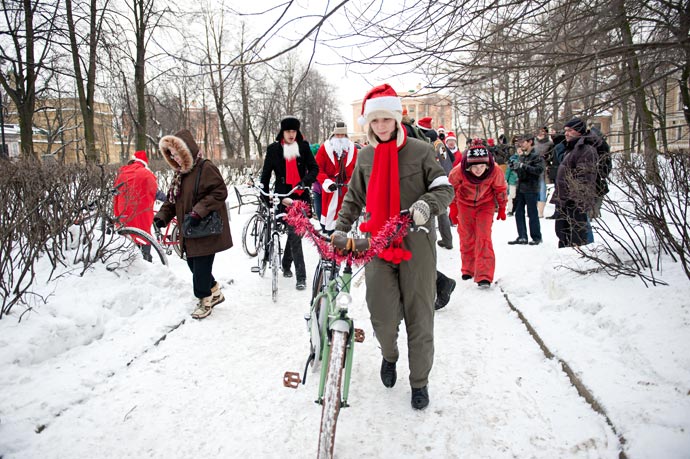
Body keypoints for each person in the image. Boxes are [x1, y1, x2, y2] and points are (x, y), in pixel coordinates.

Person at [332, 83, 454, 410]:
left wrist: (426, 206)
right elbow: (354, 198)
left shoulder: (420, 150)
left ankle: (419, 382)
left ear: (397, 119)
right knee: (382, 316)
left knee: (419, 316)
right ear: (368, 124)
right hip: (376, 245)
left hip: (417, 244)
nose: (381, 126)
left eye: (386, 120)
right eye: (375, 121)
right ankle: (389, 355)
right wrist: (339, 230)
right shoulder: (366, 156)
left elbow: (445, 189)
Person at [154, 129, 232, 319]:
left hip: (205, 228)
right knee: (193, 265)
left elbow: (219, 191)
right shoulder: (180, 174)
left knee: (201, 268)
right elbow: (173, 200)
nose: (175, 158)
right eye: (171, 155)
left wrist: (199, 210)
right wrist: (162, 216)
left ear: (186, 151)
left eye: (177, 154)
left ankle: (204, 300)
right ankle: (215, 291)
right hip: (190, 230)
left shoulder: (205, 168)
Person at [260, 115, 318, 290]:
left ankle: (292, 269)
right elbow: (266, 175)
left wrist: (305, 180)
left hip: (300, 197)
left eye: (294, 131)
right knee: (294, 234)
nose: (291, 135)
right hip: (282, 197)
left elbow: (314, 168)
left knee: (295, 234)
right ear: (282, 132)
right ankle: (297, 273)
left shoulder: (304, 147)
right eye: (288, 131)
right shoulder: (273, 150)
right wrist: (265, 194)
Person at [448, 139, 508, 288]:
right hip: (464, 204)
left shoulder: (495, 171)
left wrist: (501, 207)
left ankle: (484, 275)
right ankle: (468, 268)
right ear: (469, 166)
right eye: (475, 166)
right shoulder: (458, 171)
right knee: (466, 236)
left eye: (482, 166)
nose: (479, 170)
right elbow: (450, 189)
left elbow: (500, 190)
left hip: (485, 205)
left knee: (484, 237)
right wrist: (453, 207)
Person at [551, 117, 598, 248]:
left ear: (579, 131)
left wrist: (574, 199)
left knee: (577, 237)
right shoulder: (570, 149)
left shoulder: (586, 150)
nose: (566, 133)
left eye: (570, 130)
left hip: (575, 202)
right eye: (565, 130)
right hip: (564, 200)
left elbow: (584, 178)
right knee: (562, 233)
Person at [113, 150, 159, 262]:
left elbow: (115, 194)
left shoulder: (122, 173)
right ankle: (146, 258)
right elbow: (154, 191)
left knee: (127, 235)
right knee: (143, 234)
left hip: (123, 209)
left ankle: (128, 260)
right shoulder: (146, 173)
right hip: (141, 210)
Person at [314, 121, 358, 234]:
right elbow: (317, 168)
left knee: (345, 223)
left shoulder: (352, 149)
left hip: (346, 191)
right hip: (330, 191)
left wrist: (352, 183)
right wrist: (327, 183)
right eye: (337, 135)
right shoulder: (325, 148)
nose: (340, 137)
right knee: (330, 223)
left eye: (342, 135)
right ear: (333, 135)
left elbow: (357, 169)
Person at [508, 135, 545, 245]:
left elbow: (538, 170)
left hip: (532, 188)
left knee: (532, 213)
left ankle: (536, 237)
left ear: (530, 142)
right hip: (521, 187)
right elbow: (520, 171)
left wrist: (523, 166)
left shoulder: (536, 155)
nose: (521, 144)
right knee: (518, 212)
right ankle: (522, 236)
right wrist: (514, 167)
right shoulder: (522, 156)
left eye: (523, 142)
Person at [534, 127, 554, 218]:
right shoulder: (533, 142)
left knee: (542, 188)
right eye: (539, 131)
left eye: (543, 131)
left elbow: (552, 155)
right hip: (532, 166)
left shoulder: (550, 143)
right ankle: (533, 209)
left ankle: (540, 212)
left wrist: (547, 158)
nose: (541, 133)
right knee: (533, 188)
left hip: (543, 167)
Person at [504, 147, 519, 216]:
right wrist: (506, 179)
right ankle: (510, 209)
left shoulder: (526, 158)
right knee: (512, 195)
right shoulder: (513, 159)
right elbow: (508, 170)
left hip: (522, 180)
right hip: (513, 180)